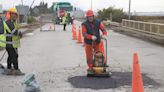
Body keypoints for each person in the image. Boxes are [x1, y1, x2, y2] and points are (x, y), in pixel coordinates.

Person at [0, 7, 24, 75]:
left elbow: (16, 31)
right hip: (10, 43)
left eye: (15, 14)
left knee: (11, 56)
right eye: (13, 14)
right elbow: (14, 32)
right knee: (14, 56)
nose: (14, 15)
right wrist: (19, 33)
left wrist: (19, 32)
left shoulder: (12, 22)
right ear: (9, 14)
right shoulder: (8, 22)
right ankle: (16, 70)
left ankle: (9, 69)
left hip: (11, 43)